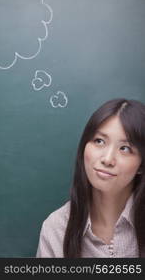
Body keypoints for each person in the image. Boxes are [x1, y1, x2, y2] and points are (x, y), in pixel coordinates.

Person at [36, 98, 145, 258]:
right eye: (99, 141)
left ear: (141, 165)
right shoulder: (57, 228)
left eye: (125, 148)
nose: (107, 159)